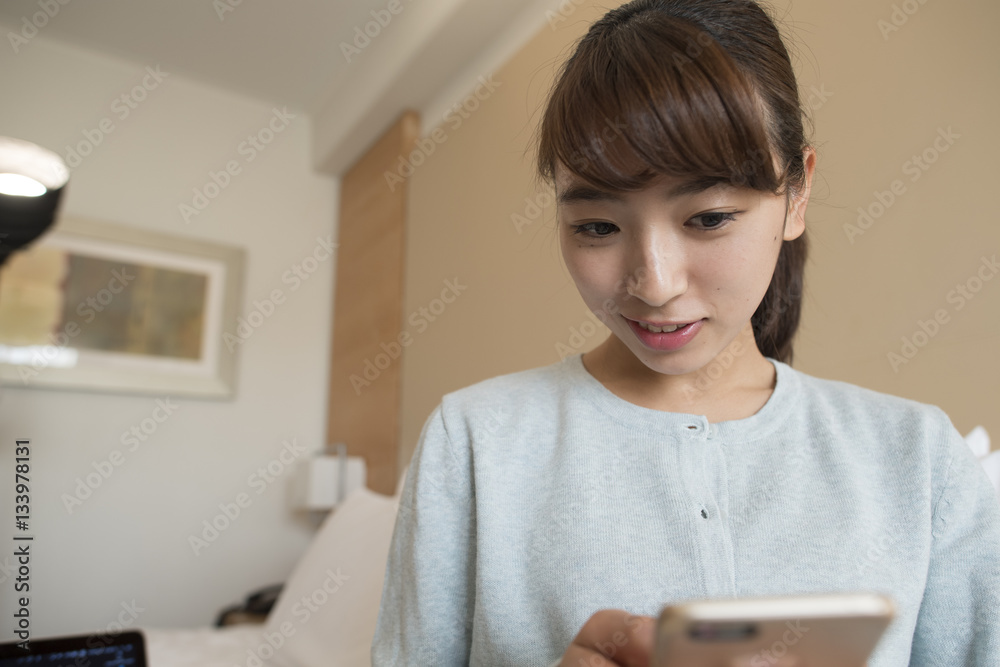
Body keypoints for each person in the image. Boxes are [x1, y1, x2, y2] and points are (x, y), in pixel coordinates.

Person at [370, 0, 1000, 665]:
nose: (655, 282)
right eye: (597, 227)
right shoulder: (474, 443)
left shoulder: (920, 460)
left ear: (797, 195)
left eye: (708, 217)